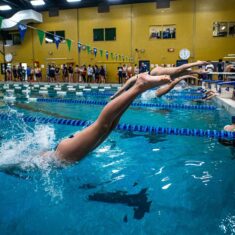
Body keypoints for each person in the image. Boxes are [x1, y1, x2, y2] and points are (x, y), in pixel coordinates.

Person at [49, 73, 171, 163]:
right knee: (109, 126)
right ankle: (139, 88)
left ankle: (139, 85)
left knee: (102, 125)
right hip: (64, 154)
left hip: (62, 155)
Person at [111, 61, 208, 100]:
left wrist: (113, 97)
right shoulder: (136, 88)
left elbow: (122, 88)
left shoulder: (131, 80)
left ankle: (197, 63)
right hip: (155, 77)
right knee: (180, 73)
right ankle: (198, 71)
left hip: (154, 74)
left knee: (178, 70)